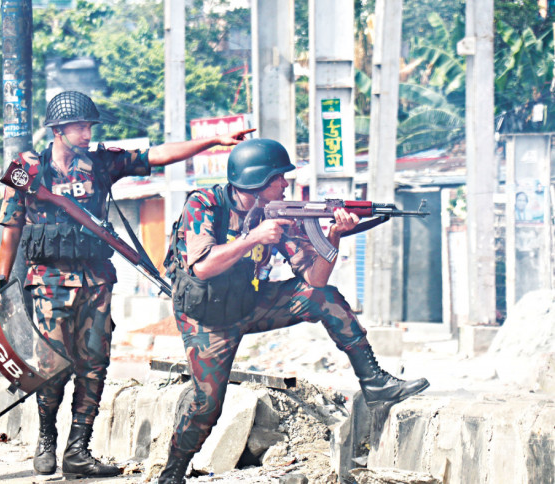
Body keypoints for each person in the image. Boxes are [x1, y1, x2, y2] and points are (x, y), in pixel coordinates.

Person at [0, 90, 252, 478]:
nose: (87, 132)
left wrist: (213, 141)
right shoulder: (31, 167)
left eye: (89, 126)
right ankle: (47, 436)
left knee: (94, 364)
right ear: (59, 129)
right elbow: (11, 228)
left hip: (96, 281)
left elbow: (157, 155)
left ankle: (77, 449)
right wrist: (2, 284)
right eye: (80, 126)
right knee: (51, 366)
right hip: (47, 282)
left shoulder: (100, 163)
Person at [157, 138, 430, 484]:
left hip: (249, 302)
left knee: (324, 297)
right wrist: (254, 237)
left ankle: (374, 383)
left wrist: (334, 235)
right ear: (258, 181)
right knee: (206, 406)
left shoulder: (281, 214)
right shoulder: (205, 203)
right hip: (206, 317)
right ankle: (172, 472)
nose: (286, 184)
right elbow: (202, 267)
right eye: (279, 178)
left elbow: (314, 279)